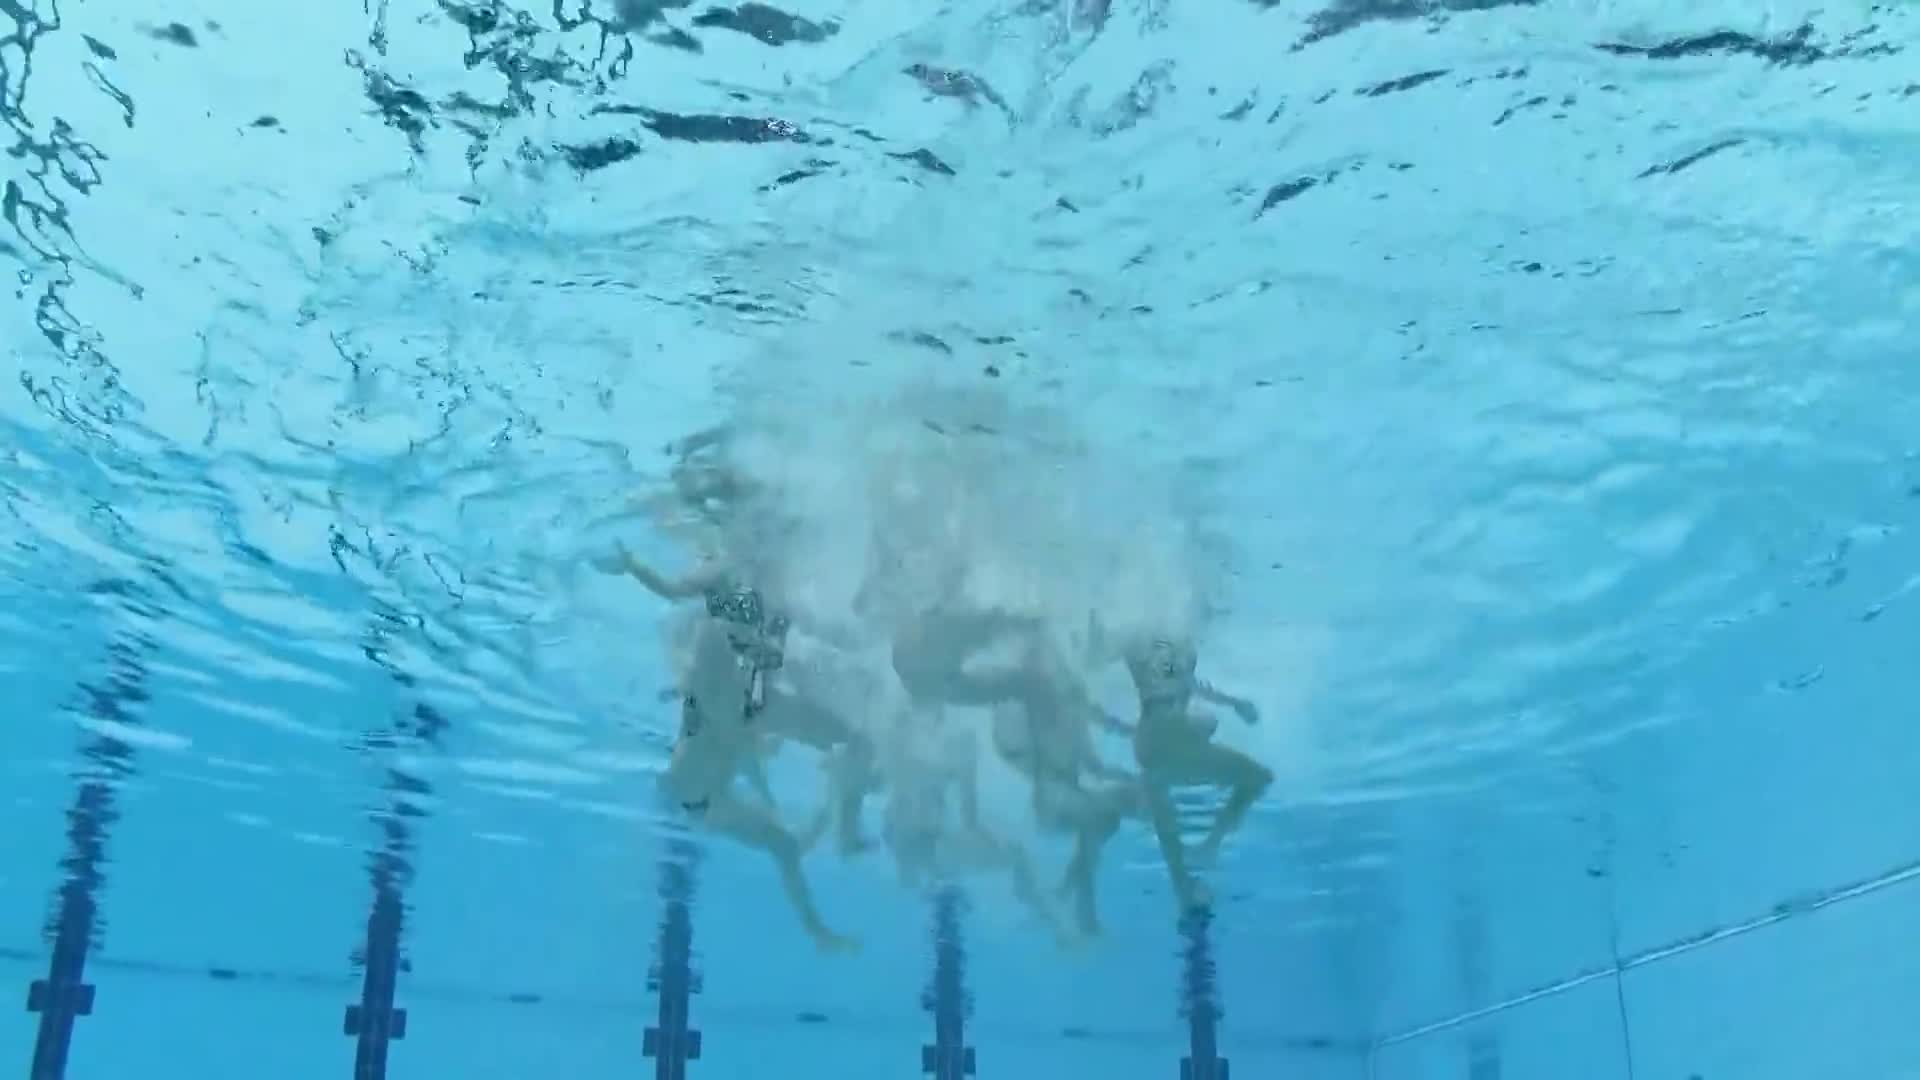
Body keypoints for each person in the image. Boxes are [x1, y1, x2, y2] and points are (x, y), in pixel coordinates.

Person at [594, 543, 859, 953]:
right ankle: (818, 924)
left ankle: (819, 930)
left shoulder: (739, 676)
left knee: (787, 844)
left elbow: (757, 714)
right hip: (691, 797)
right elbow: (741, 733)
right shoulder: (712, 681)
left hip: (710, 792)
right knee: (786, 842)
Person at [1120, 636, 1271, 914]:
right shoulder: (1154, 632)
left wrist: (1234, 703)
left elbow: (1187, 683)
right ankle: (1207, 847)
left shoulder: (1168, 632)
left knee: (1162, 793)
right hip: (1166, 737)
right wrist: (1233, 704)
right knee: (1256, 777)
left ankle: (1185, 882)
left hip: (1158, 740)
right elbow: (1175, 678)